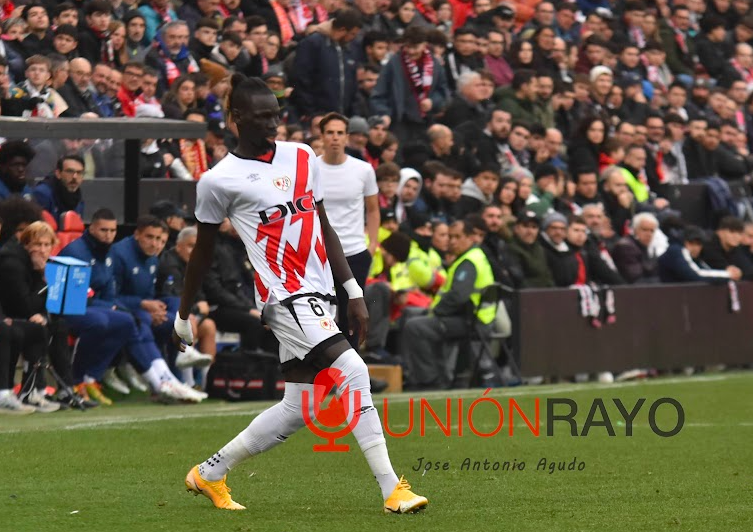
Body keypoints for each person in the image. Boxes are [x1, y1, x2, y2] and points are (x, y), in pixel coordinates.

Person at [174, 75, 427, 513]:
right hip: (282, 296)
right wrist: (183, 315)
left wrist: (351, 290)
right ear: (236, 118)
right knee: (353, 370)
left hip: (321, 290)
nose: (273, 124)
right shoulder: (218, 181)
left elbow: (323, 224)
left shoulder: (302, 155)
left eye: (276, 114)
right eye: (262, 116)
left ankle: (209, 473)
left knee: (300, 407)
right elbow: (202, 254)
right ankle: (393, 489)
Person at [400, 218, 495, 389]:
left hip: (473, 322)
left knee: (415, 327)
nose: (452, 241)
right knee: (412, 316)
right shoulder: (472, 257)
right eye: (450, 237)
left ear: (469, 238)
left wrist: (436, 312)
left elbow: (458, 297)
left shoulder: (468, 262)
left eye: (457, 237)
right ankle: (424, 376)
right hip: (471, 318)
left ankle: (430, 381)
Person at [317, 112, 380, 349]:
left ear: (346, 137)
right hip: (319, 254)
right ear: (322, 136)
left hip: (354, 251)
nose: (335, 137)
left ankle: (350, 367)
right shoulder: (311, 168)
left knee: (351, 317)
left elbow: (373, 209)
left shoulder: (363, 170)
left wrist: (372, 244)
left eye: (340, 133)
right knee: (319, 315)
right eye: (330, 132)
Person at [31, 154, 85, 223]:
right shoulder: (43, 193)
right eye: (70, 171)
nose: (75, 177)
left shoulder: (78, 198)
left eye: (79, 172)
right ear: (58, 173)